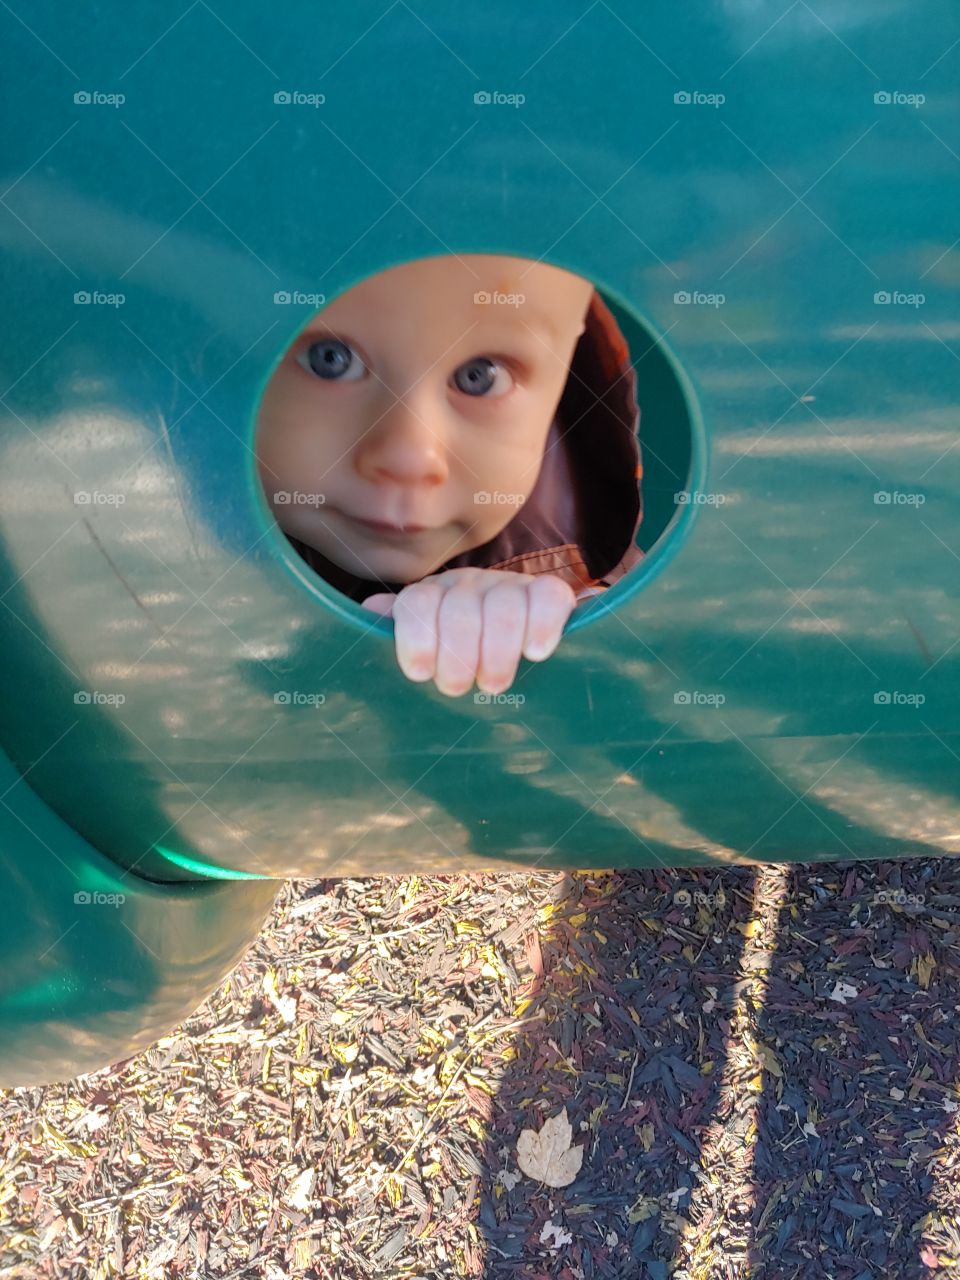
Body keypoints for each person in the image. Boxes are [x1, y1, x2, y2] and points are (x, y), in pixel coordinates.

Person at [255, 253, 644, 697]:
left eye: (479, 377)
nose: (410, 459)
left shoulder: (567, 560)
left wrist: (516, 621)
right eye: (330, 359)